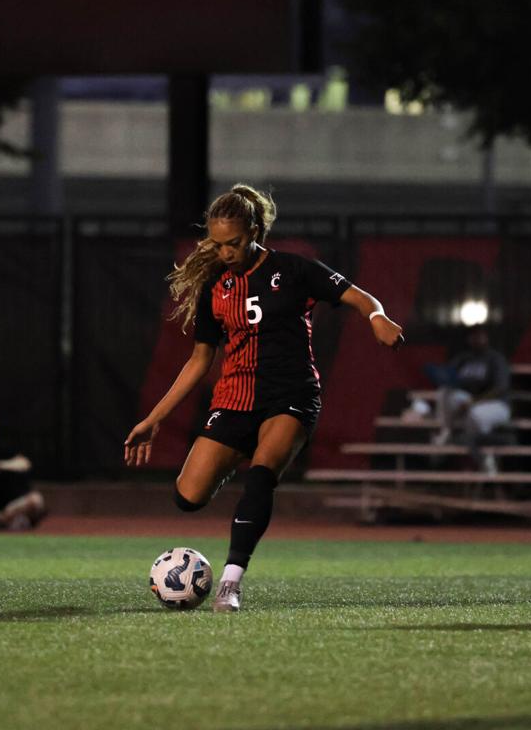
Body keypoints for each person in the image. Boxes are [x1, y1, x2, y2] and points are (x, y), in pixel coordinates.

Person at [124, 184, 405, 612]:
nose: (225, 252)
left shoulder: (293, 269)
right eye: (217, 244)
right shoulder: (214, 285)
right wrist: (154, 418)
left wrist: (377, 316)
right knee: (188, 497)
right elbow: (200, 360)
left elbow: (359, 297)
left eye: (233, 243)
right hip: (235, 399)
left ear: (255, 230)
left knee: (262, 476)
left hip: (290, 395)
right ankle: (242, 459)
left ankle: (231, 583)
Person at [432, 325, 511, 473]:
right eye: (474, 336)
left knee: (474, 415)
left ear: (487, 337)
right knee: (444, 392)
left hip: (495, 405)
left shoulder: (495, 359)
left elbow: (500, 388)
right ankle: (446, 432)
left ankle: (484, 454)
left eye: (480, 336)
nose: (477, 339)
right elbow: (448, 378)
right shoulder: (463, 359)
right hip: (470, 403)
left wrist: (473, 402)